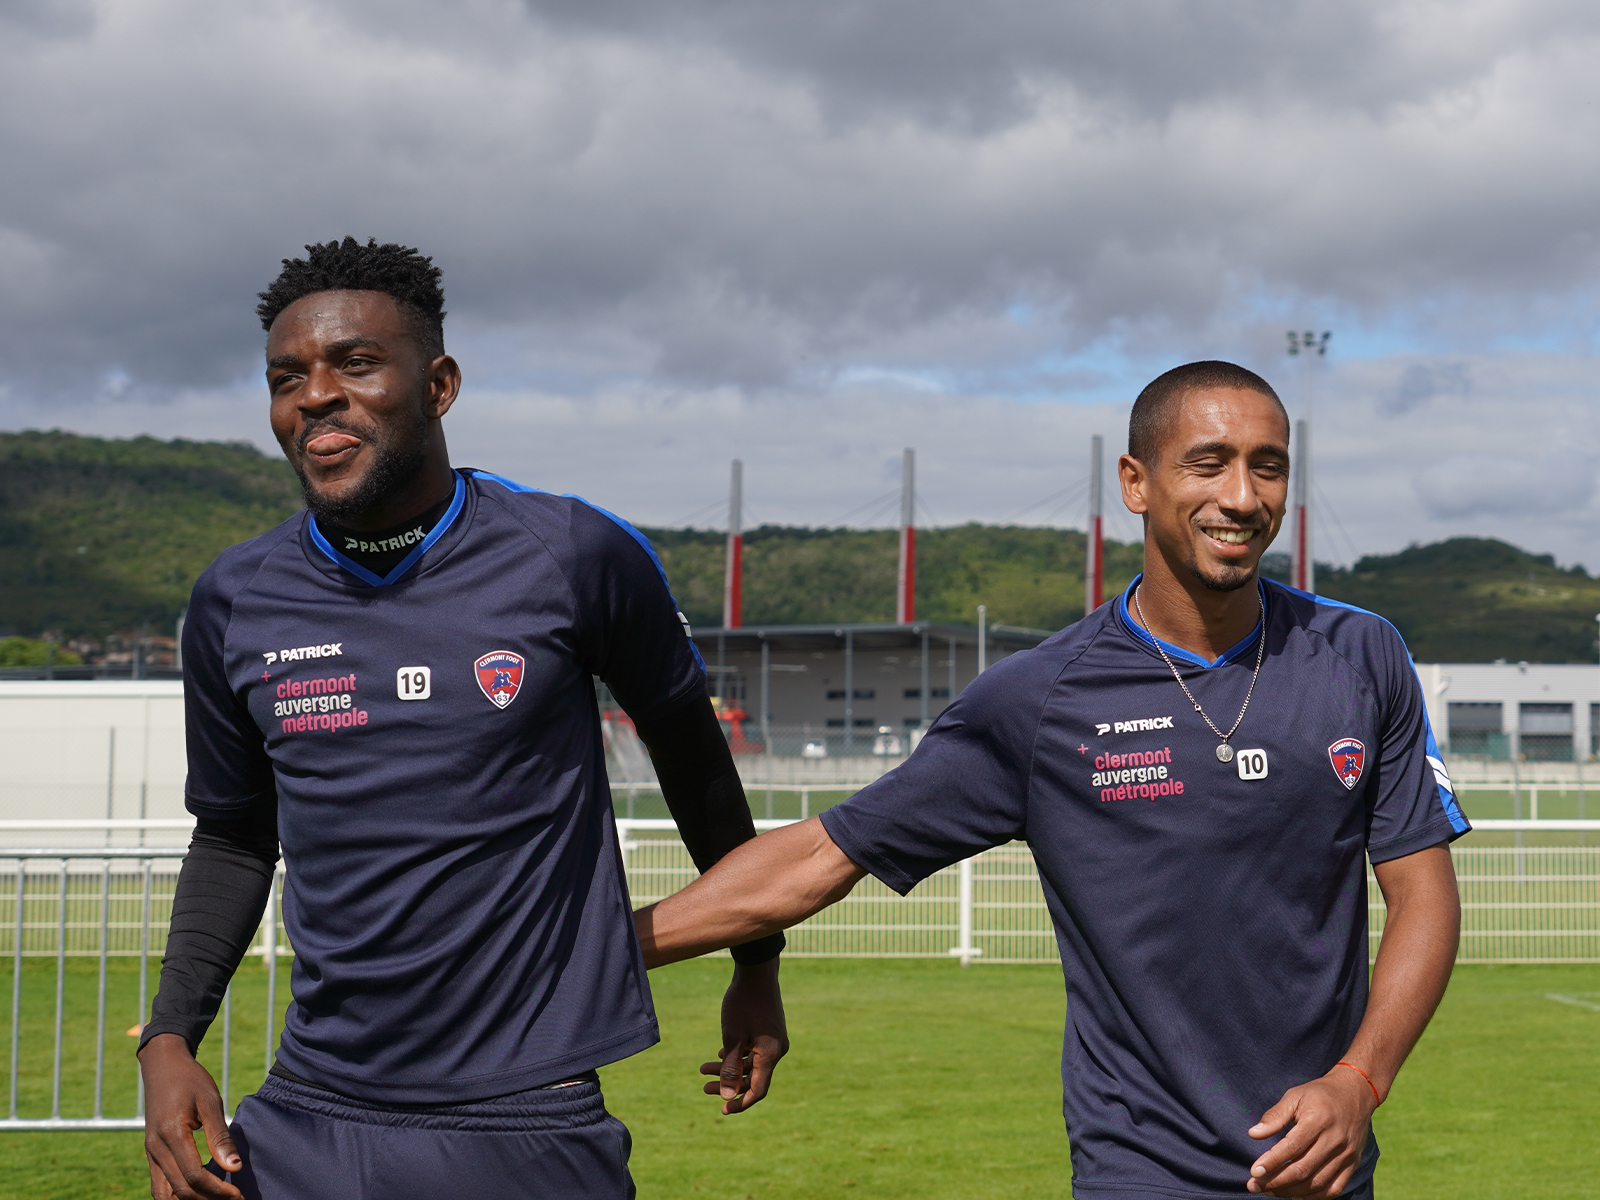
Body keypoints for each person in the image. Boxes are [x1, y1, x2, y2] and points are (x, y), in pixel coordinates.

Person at [635, 360, 1468, 1200]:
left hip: (1321, 1172)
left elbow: (1424, 894)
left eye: (1269, 465)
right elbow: (820, 857)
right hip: (1138, 1174)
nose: (1245, 497)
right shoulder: (1039, 700)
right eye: (1208, 463)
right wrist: (589, 953)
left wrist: (1359, 1084)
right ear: (1136, 483)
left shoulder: (1361, 654)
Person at [139, 237, 788, 1200]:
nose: (315, 394)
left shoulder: (574, 553)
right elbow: (235, 834)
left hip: (523, 1113)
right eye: (288, 377)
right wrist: (169, 1037)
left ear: (439, 384)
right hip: (311, 1105)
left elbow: (694, 762)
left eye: (355, 363)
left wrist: (756, 961)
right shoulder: (236, 597)